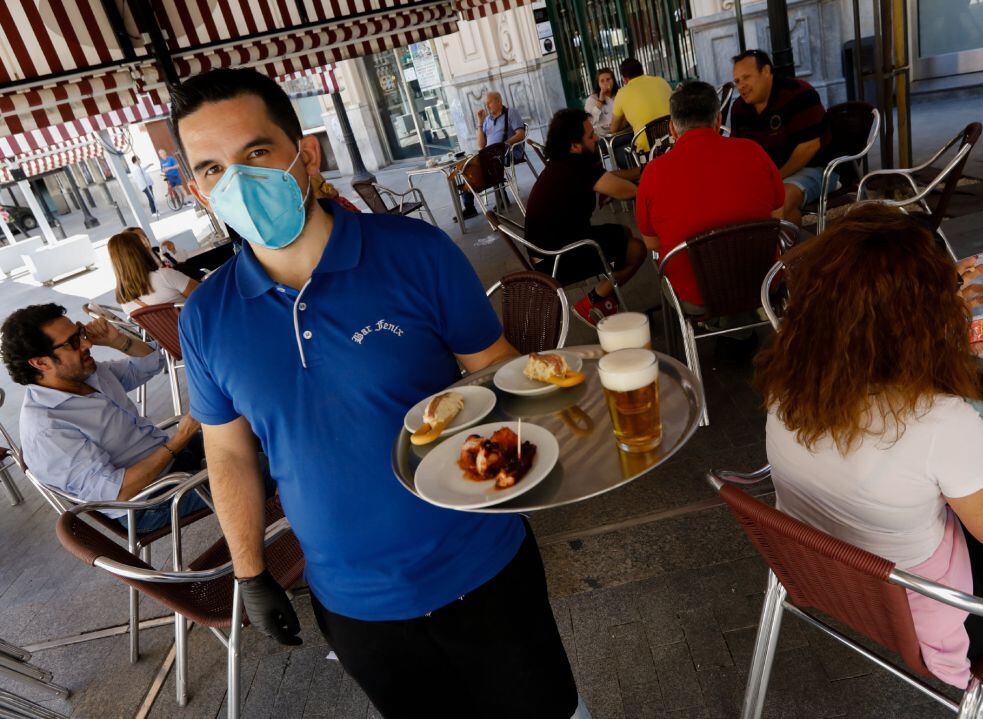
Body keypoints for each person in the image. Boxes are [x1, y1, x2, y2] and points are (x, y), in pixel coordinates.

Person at [170, 67, 586, 718]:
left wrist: (570, 415)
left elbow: (494, 367)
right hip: (352, 603)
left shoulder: (416, 252)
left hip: (483, 566)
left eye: (256, 152)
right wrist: (250, 571)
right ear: (197, 189)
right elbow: (227, 453)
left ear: (304, 154)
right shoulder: (206, 317)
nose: (240, 182)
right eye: (213, 168)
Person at [755, 204, 983, 689]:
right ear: (918, 323)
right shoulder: (940, 424)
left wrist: (928, 304)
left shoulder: (789, 384)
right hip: (938, 618)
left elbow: (882, 391)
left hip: (835, 578)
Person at [0, 304, 205, 531]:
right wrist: (181, 437)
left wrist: (117, 341)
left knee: (244, 431)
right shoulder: (48, 429)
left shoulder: (86, 375)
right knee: (247, 472)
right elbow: (119, 492)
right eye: (73, 342)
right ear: (40, 362)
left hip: (169, 459)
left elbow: (151, 363)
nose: (87, 344)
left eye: (80, 333)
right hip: (150, 501)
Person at [636, 80, 784, 320]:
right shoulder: (754, 152)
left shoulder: (652, 173)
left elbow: (651, 242)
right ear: (718, 120)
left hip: (696, 298)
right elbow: (778, 219)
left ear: (672, 129)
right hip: (763, 285)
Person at [525, 108, 646, 325]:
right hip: (558, 258)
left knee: (624, 233)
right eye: (590, 136)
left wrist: (641, 171)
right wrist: (649, 178)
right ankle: (593, 301)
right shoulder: (577, 167)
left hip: (548, 250)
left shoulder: (564, 163)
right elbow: (629, 191)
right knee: (637, 249)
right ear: (574, 145)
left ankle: (605, 298)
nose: (596, 138)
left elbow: (605, 178)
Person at [730, 49, 834, 226]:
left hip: (814, 168)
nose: (741, 86)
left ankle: (777, 252)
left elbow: (810, 146)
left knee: (775, 207)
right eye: (737, 81)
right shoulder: (739, 108)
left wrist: (774, 179)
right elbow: (739, 152)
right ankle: (796, 249)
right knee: (739, 207)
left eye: (747, 77)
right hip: (769, 177)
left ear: (766, 72)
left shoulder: (799, 93)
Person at [459, 90, 526, 220]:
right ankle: (470, 206)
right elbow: (481, 144)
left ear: (499, 101)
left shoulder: (511, 113)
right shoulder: (487, 120)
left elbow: (520, 134)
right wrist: (480, 122)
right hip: (489, 155)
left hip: (509, 152)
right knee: (467, 166)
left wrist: (504, 144)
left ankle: (501, 197)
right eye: (486, 103)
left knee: (487, 163)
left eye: (489, 103)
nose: (487, 106)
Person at [108, 231, 199, 315]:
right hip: (200, 326)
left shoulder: (125, 301)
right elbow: (205, 294)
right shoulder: (164, 276)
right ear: (141, 251)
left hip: (170, 332)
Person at [609, 58, 672, 166]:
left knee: (616, 149)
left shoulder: (622, 93)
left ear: (624, 78)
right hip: (672, 141)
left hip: (648, 152)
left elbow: (613, 129)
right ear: (642, 70)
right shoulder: (661, 81)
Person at [584, 68, 618, 137]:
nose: (606, 83)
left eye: (608, 79)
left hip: (622, 131)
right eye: (602, 81)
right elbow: (591, 121)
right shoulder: (592, 99)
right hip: (604, 136)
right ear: (598, 84)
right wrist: (600, 100)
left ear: (613, 80)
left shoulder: (620, 94)